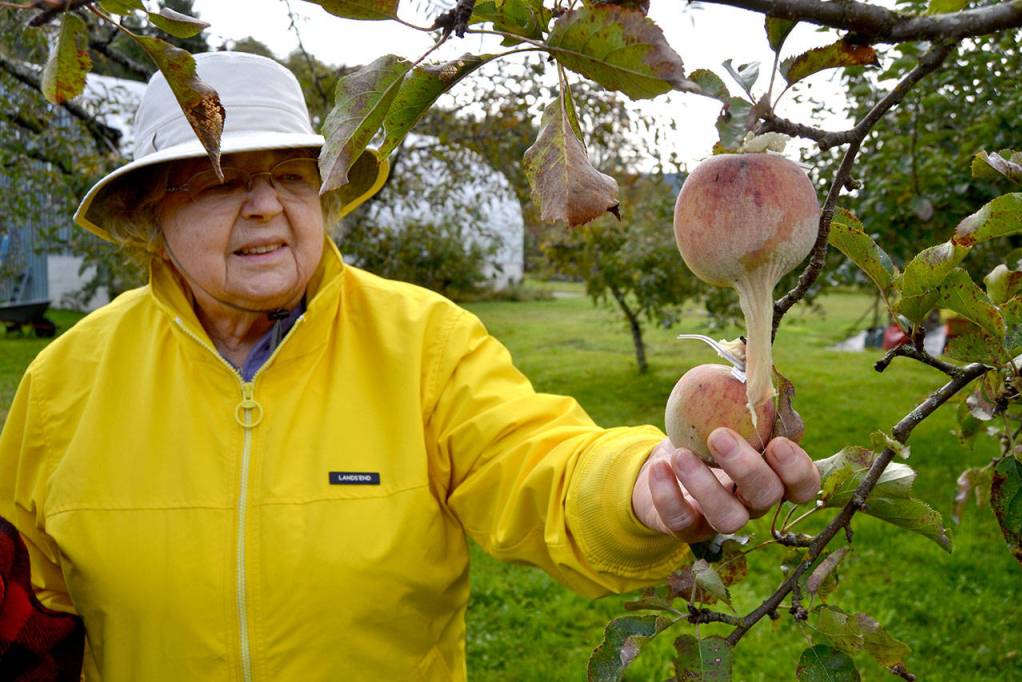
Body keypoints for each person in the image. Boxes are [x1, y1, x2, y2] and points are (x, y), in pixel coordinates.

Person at [0, 52, 820, 681]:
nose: (265, 206)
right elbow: (31, 601)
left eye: (291, 177)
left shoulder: (422, 341)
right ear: (151, 213)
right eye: (220, 181)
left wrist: (645, 490)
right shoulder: (66, 380)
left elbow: (537, 462)